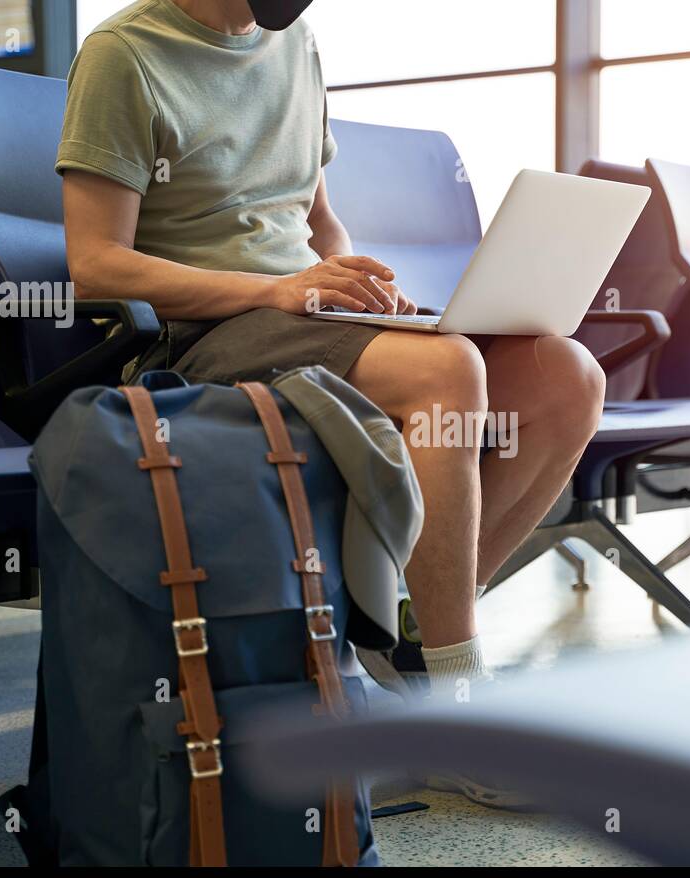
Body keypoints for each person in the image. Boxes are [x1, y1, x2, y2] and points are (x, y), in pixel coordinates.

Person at [57, 0, 605, 801]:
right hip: (199, 339)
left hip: (304, 319)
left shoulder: (296, 44)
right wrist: (274, 290)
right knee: (448, 372)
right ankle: (453, 703)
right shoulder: (123, 54)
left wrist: (358, 289)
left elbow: (319, 222)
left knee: (567, 376)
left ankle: (410, 631)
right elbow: (95, 264)